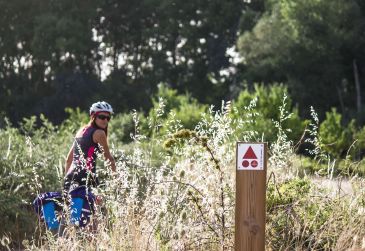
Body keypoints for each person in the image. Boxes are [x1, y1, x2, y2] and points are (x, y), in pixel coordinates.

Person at [63, 101, 116, 193]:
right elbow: (108, 158)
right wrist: (117, 180)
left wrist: (67, 179)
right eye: (102, 117)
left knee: (72, 207)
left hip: (70, 178)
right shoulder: (99, 133)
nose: (105, 120)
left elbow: (68, 159)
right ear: (93, 116)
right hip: (87, 177)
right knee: (99, 206)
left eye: (108, 118)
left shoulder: (81, 131)